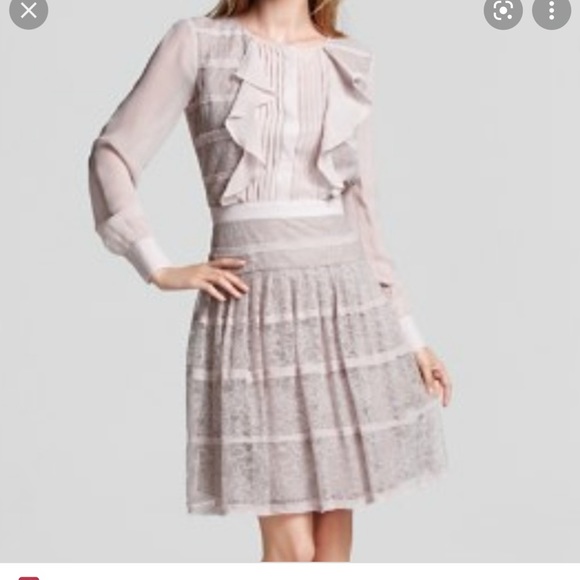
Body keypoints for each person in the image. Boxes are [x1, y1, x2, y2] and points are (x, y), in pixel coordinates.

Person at [87, 0, 453, 563]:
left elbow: (363, 214)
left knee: (331, 550)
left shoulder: (347, 59)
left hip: (345, 307)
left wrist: (411, 335)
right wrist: (155, 264)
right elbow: (112, 153)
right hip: (255, 306)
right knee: (292, 552)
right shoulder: (199, 42)